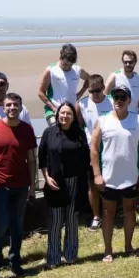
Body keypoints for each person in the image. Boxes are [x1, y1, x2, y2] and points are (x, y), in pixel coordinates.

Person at [0, 92, 37, 278]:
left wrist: (32, 186)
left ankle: (15, 263)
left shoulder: (27, 129)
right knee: (0, 227)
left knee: (17, 226)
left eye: (16, 105)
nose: (12, 108)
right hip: (0, 185)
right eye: (9, 105)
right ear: (3, 108)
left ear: (21, 108)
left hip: (21, 186)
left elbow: (31, 159)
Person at [91, 85, 139, 261]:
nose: (119, 101)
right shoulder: (103, 120)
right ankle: (108, 249)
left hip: (131, 176)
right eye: (116, 97)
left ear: (129, 100)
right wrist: (97, 174)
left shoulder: (138, 120)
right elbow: (93, 148)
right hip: (108, 178)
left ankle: (128, 246)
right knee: (108, 213)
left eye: (123, 98)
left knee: (130, 210)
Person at [38, 102, 89, 267]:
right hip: (55, 181)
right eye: (62, 113)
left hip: (75, 180)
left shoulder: (79, 133)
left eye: (68, 114)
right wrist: (46, 177)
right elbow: (42, 157)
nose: (65, 116)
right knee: (55, 220)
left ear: (73, 117)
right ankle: (53, 257)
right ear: (57, 114)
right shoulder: (49, 133)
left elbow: (85, 158)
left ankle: (71, 255)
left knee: (72, 219)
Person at [76, 74, 114, 231]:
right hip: (92, 150)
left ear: (103, 88)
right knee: (92, 184)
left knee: (110, 182)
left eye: (98, 90)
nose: (95, 94)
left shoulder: (112, 102)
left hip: (110, 148)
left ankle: (110, 213)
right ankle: (96, 216)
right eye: (92, 91)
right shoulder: (82, 104)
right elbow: (79, 126)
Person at [38, 43, 91, 126]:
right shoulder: (51, 70)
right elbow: (41, 93)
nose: (67, 68)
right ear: (60, 58)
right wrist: (54, 108)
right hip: (54, 109)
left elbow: (89, 79)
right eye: (65, 64)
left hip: (71, 109)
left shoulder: (77, 70)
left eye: (70, 65)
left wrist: (80, 93)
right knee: (55, 130)